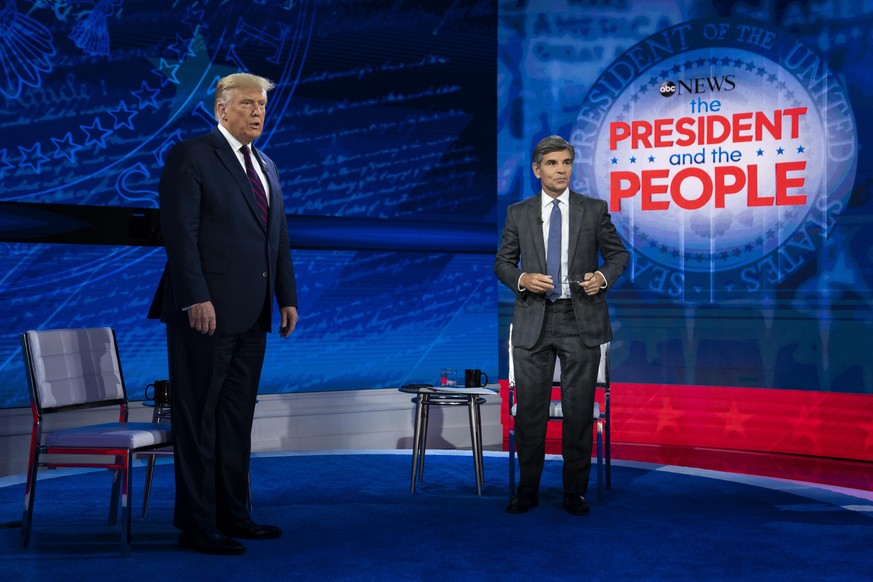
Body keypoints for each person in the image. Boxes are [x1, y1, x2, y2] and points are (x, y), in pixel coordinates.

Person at [148, 73, 298, 555]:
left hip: (252, 315)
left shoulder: (268, 165)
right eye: (248, 103)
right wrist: (195, 297)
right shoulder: (192, 156)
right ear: (222, 110)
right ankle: (197, 524)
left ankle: (234, 513)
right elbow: (180, 233)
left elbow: (276, 240)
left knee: (236, 419)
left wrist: (286, 296)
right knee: (198, 419)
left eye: (262, 105)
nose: (258, 112)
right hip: (204, 313)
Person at [495, 135, 628, 515]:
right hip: (533, 319)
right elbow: (502, 263)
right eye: (552, 163)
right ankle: (527, 489)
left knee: (578, 411)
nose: (561, 170)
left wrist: (601, 278)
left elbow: (618, 256)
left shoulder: (594, 209)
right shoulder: (518, 213)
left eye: (566, 162)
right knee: (532, 412)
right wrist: (522, 279)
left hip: (579, 318)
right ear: (537, 170)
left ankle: (575, 492)